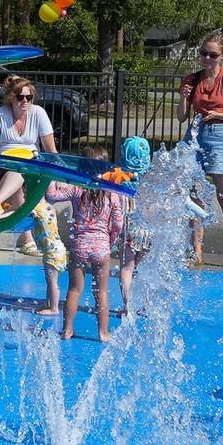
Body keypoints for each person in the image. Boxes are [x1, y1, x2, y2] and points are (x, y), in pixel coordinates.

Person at [178, 33, 223, 272]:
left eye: (212, 54)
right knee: (195, 198)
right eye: (203, 53)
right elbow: (181, 117)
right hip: (196, 133)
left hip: (220, 134)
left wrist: (219, 115)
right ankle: (196, 252)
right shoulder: (193, 78)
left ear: (222, 56)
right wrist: (183, 98)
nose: (207, 58)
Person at [46, 146, 128, 342]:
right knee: (101, 291)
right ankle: (103, 333)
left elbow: (51, 195)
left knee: (75, 289)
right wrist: (111, 240)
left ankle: (67, 330)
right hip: (101, 249)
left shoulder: (77, 188)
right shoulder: (111, 192)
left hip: (79, 247)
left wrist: (53, 175)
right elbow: (118, 222)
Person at [0, 75, 59, 256]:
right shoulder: (0, 115)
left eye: (29, 97)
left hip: (31, 164)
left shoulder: (38, 113)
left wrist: (58, 175)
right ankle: (26, 239)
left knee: (33, 190)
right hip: (2, 165)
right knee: (19, 182)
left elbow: (51, 150)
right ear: (11, 98)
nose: (25, 101)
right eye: (20, 97)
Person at [116, 136, 153, 314]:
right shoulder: (152, 179)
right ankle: (146, 304)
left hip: (129, 231)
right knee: (145, 269)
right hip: (149, 231)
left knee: (126, 268)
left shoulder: (120, 177)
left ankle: (128, 305)